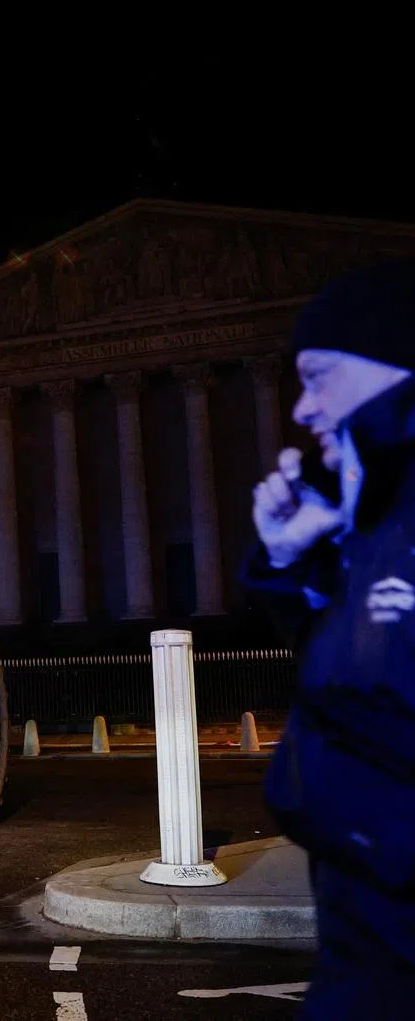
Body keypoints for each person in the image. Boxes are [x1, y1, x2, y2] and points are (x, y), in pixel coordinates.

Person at [243, 257, 415, 1015]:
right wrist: (296, 566)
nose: (304, 410)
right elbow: (354, 678)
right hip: (371, 941)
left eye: (319, 378)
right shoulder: (378, 529)